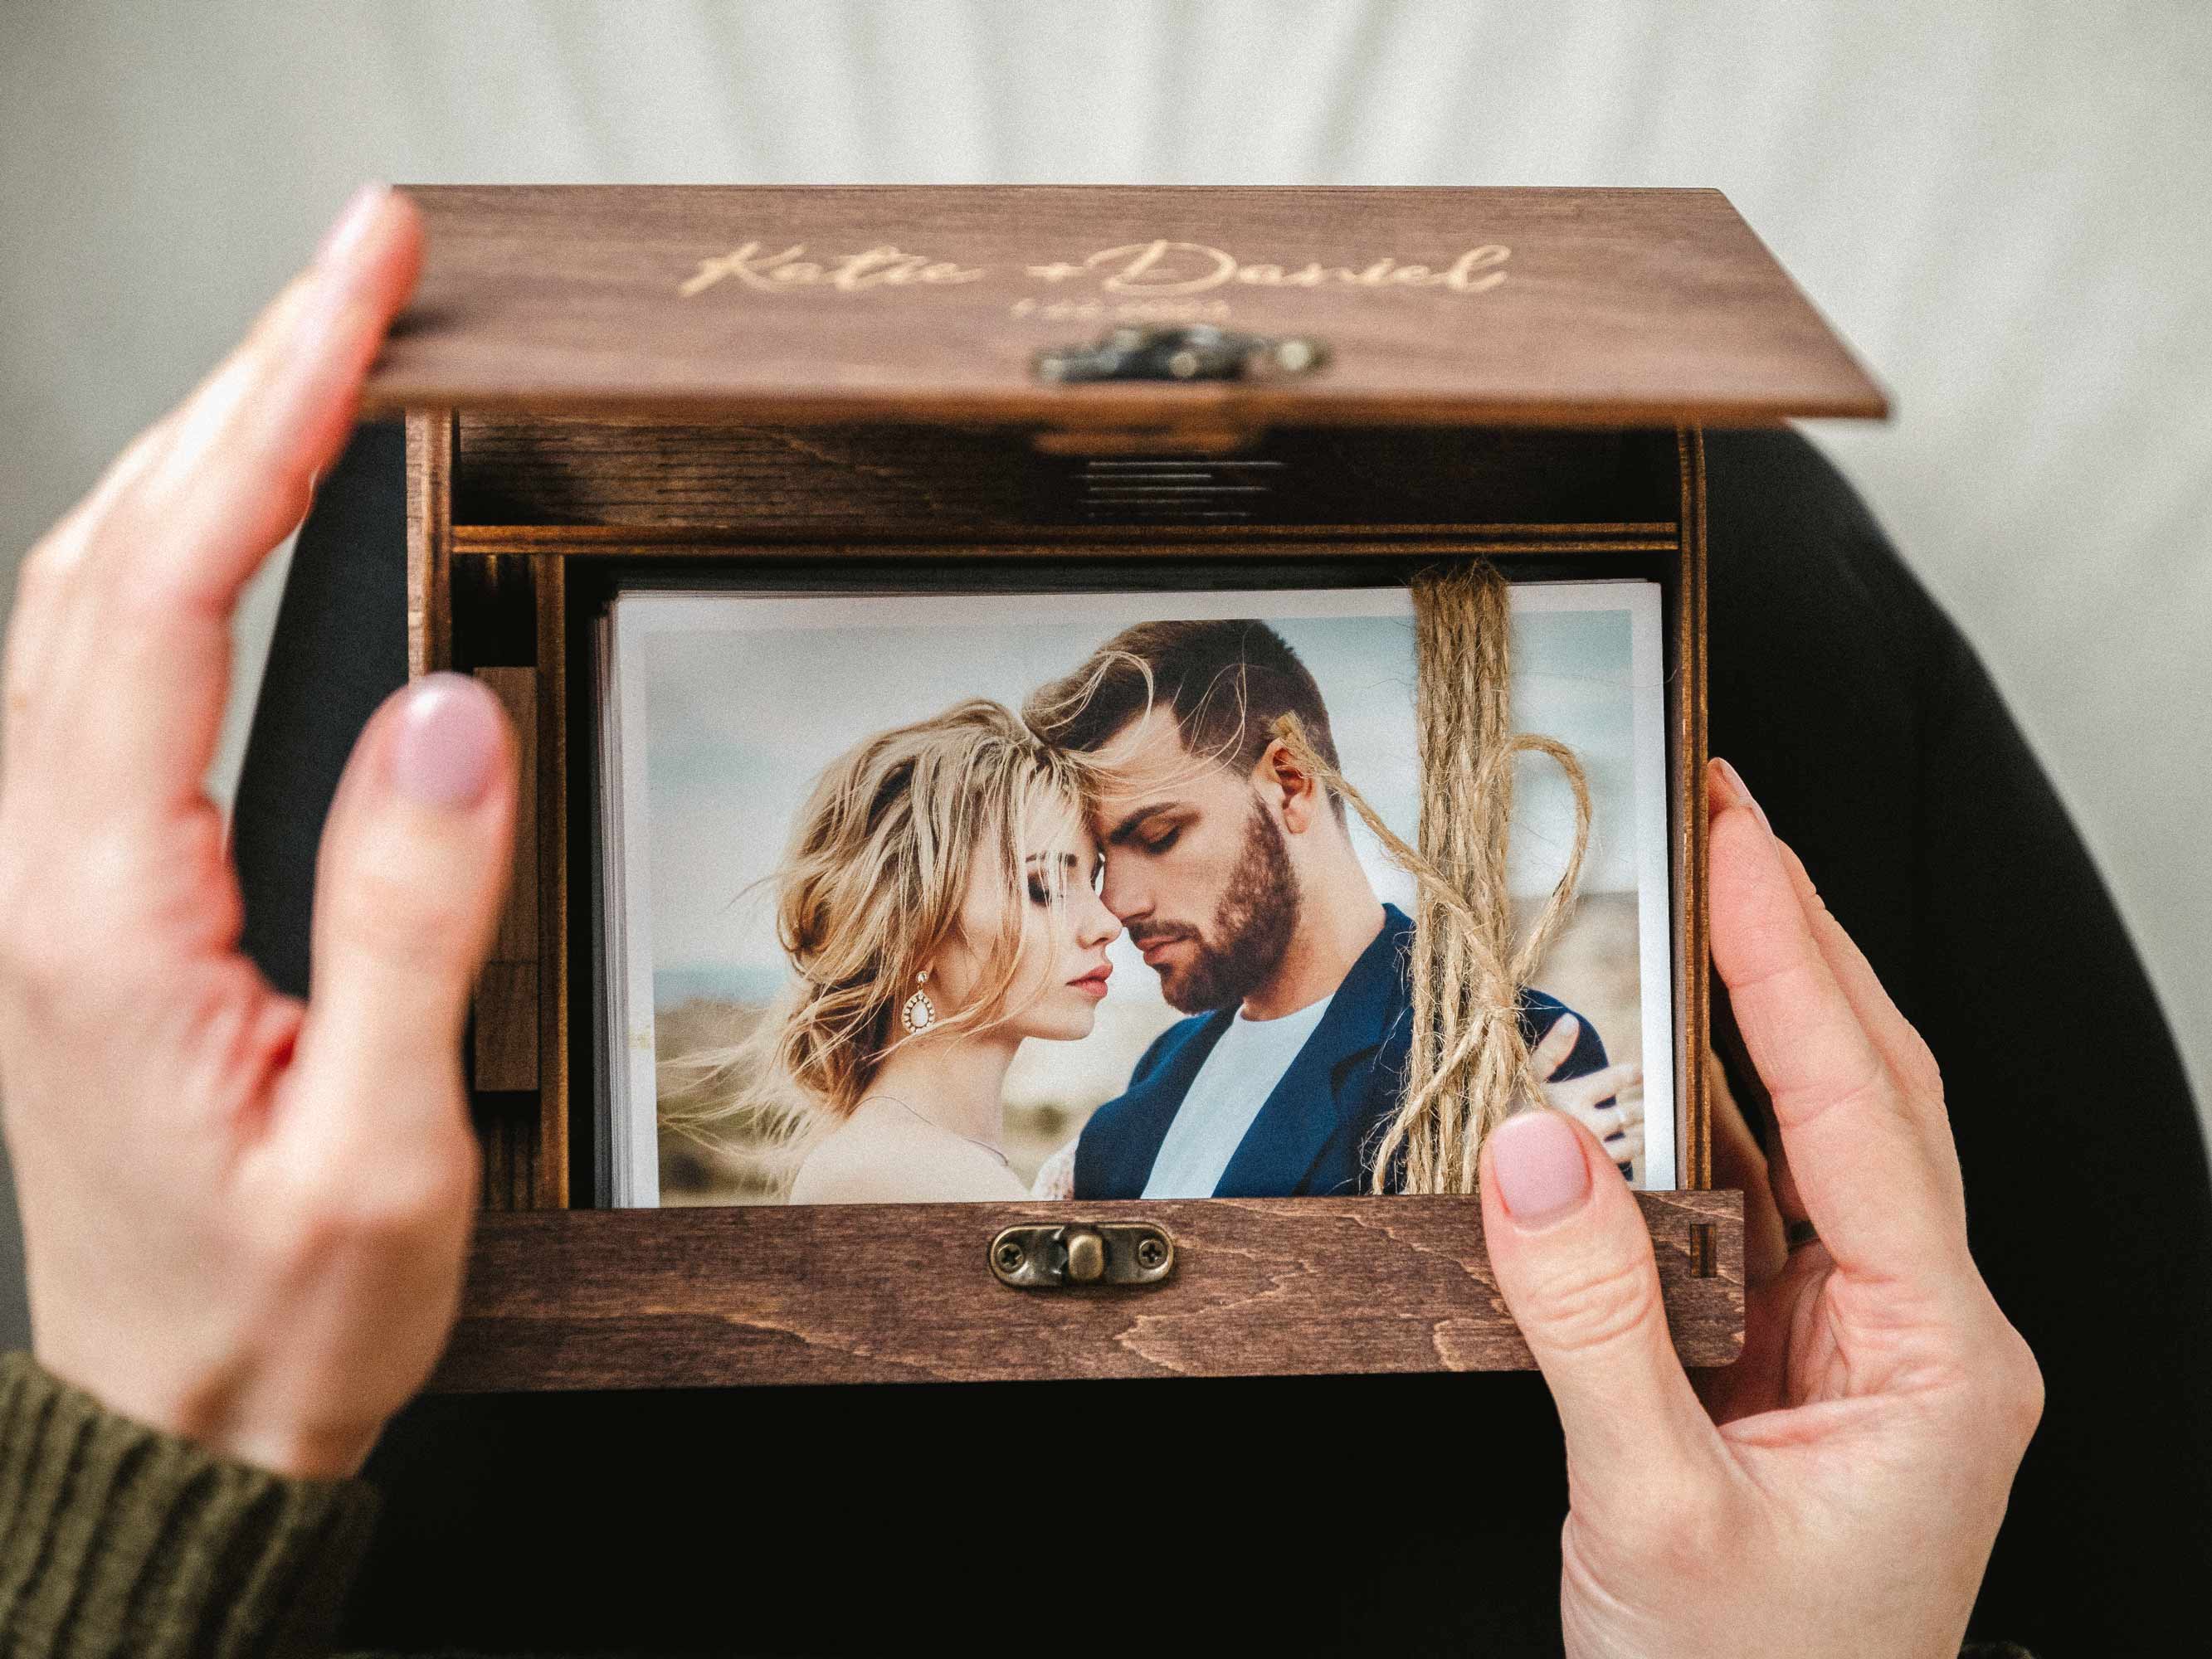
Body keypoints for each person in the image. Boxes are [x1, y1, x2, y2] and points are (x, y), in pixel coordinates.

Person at [0, 182, 2130, 1655]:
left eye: (1138, 838)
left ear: (1295, 786)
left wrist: (145, 1461)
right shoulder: (1123, 1129)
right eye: (1065, 859)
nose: (1111, 905)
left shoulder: (1531, 1079)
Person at [1023, 619, 1640, 1199]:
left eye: (1159, 836)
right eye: (1103, 862)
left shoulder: (1498, 1049)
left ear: (1290, 784)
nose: (1117, 903)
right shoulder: (1165, 1066)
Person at [662, 699, 1122, 1203]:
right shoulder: (906, 1173)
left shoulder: (920, 1159)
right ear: (915, 930)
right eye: (1043, 886)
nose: (1106, 923)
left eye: (1092, 878)